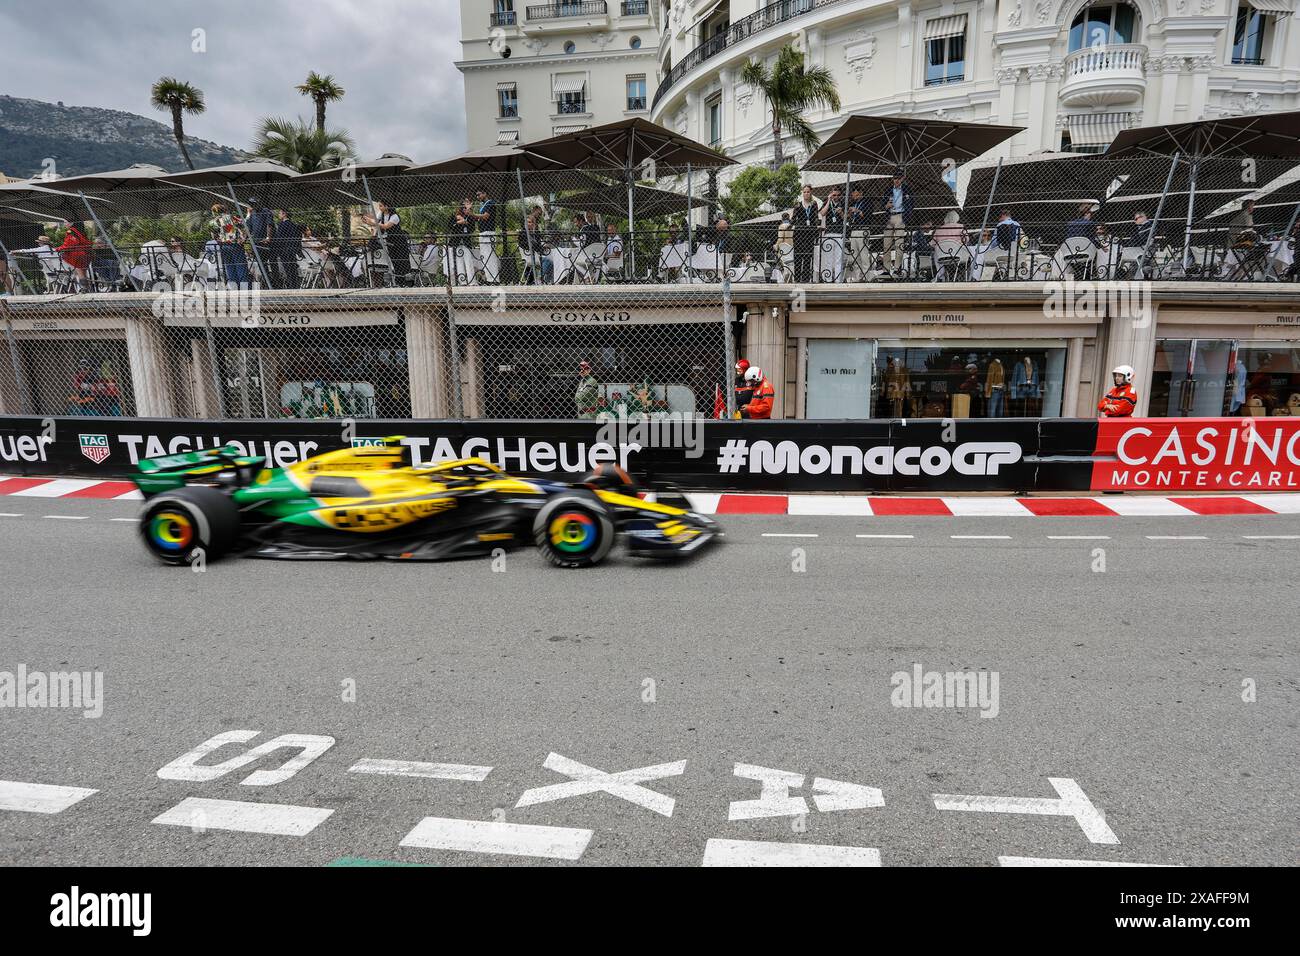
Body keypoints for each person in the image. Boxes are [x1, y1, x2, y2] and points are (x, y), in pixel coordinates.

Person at [879, 169, 914, 276]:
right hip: (889, 216)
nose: (896, 180)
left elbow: (911, 204)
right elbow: (882, 204)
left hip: (900, 215)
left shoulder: (907, 189)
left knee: (899, 244)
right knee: (887, 244)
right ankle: (886, 269)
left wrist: (906, 217)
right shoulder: (888, 189)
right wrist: (886, 206)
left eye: (898, 178)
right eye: (895, 178)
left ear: (903, 178)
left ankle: (897, 268)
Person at [791, 185, 821, 283]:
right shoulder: (798, 204)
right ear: (802, 193)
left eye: (808, 192)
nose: (806, 194)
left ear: (811, 192)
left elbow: (816, 217)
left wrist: (817, 226)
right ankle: (796, 279)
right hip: (799, 233)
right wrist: (789, 225)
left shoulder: (814, 204)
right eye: (804, 192)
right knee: (798, 256)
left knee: (808, 256)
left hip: (809, 233)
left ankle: (805, 279)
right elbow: (794, 218)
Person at [271, 210, 304, 289]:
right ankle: (296, 286)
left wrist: (277, 248)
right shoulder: (293, 225)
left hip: (284, 250)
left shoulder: (282, 225)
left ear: (284, 214)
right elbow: (298, 237)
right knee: (293, 268)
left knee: (288, 269)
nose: (278, 215)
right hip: (292, 250)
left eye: (279, 213)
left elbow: (279, 238)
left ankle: (291, 286)